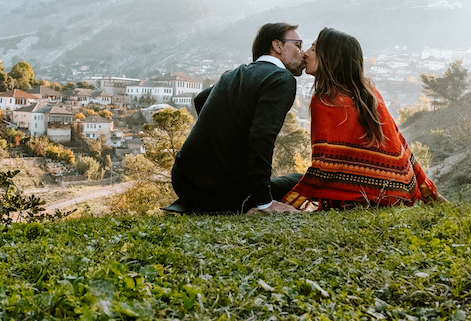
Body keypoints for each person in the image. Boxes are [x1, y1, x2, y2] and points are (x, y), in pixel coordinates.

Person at [284, 27, 443, 209]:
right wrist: (429, 193)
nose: (305, 54)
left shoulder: (325, 101)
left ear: (329, 58)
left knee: (282, 185)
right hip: (400, 194)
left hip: (358, 199)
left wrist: (289, 201)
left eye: (312, 49)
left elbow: (324, 166)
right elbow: (401, 149)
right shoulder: (369, 94)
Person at [170, 22, 306, 214]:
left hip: (184, 182)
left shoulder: (233, 74)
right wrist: (265, 203)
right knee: (301, 180)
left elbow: (201, 99)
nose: (303, 53)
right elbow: (261, 138)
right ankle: (245, 205)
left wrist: (224, 144)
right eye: (298, 45)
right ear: (277, 45)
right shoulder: (280, 78)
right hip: (222, 193)